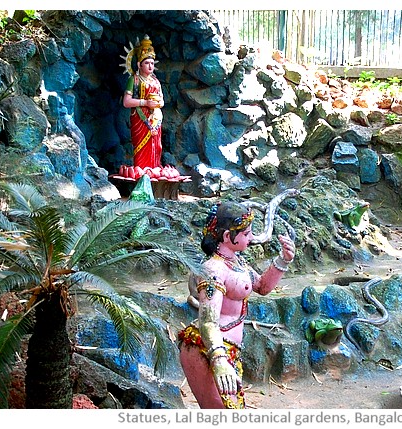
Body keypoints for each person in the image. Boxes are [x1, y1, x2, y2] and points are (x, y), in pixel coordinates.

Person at [177, 201, 295, 409]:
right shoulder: (213, 271)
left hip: (225, 349)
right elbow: (208, 322)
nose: (251, 238)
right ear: (226, 237)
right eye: (246, 233)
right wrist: (219, 359)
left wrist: (283, 260)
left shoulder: (237, 262)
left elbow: (261, 287)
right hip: (208, 349)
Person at [122, 35, 164, 170]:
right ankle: (141, 172)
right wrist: (145, 102)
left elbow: (162, 101)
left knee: (156, 146)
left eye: (152, 63)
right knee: (141, 147)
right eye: (147, 63)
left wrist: (156, 104)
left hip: (155, 119)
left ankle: (154, 170)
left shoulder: (156, 81)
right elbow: (126, 102)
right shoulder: (134, 80)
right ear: (139, 64)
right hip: (140, 118)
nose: (150, 66)